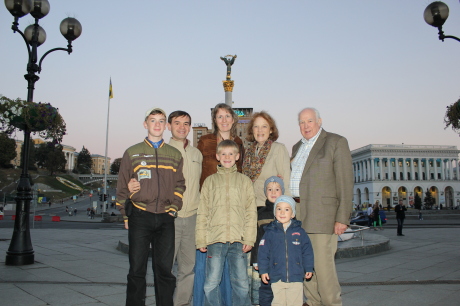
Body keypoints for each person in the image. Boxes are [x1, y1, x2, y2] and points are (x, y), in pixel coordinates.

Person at [128, 110, 203, 306]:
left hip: (192, 215)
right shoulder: (163, 150)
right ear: (169, 126)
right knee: (164, 268)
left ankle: (181, 303)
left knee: (188, 268)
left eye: (186, 123)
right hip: (169, 216)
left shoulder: (197, 154)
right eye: (177, 123)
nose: (182, 127)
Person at [116, 107, 186, 306]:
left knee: (164, 270)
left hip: (165, 218)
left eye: (161, 121)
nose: (157, 124)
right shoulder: (132, 152)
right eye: (153, 120)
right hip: (140, 215)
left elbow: (180, 184)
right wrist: (125, 215)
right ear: (145, 124)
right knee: (137, 269)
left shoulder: (174, 154)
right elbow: (121, 186)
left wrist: (174, 207)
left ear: (166, 126)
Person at [290, 108, 353, 306]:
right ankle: (313, 302)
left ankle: (332, 303)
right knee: (304, 265)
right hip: (297, 214)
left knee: (323, 268)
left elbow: (345, 181)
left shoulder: (335, 142)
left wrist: (342, 217)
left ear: (319, 121)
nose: (305, 126)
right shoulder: (296, 147)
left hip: (322, 215)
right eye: (301, 122)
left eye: (309, 121)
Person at [195, 139, 257, 306]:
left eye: (231, 154)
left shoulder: (244, 181)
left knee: (242, 284)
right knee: (211, 283)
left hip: (239, 241)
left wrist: (249, 238)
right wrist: (201, 239)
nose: (227, 157)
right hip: (215, 240)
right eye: (223, 154)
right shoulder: (210, 182)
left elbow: (251, 212)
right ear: (217, 156)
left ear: (237, 156)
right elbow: (203, 213)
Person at [195, 103, 244, 306]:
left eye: (227, 116)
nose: (223, 120)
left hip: (231, 209)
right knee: (205, 265)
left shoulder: (238, 142)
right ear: (214, 121)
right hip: (209, 206)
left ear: (233, 119)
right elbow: (196, 170)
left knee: (231, 265)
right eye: (219, 117)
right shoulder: (205, 141)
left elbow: (241, 174)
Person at [258, 195, 314, 306]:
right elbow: (263, 253)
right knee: (278, 302)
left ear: (293, 214)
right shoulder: (269, 232)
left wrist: (309, 268)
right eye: (279, 209)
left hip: (296, 275)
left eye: (287, 209)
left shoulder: (300, 232)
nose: (282, 212)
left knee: (295, 302)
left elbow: (307, 251)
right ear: (275, 212)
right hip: (276, 275)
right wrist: (263, 270)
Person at [242, 111, 291, 208]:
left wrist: (286, 209)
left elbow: (286, 183)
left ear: (271, 130)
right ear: (252, 130)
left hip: (270, 209)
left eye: (264, 126)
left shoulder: (278, 149)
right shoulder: (248, 152)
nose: (260, 130)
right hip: (250, 208)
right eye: (256, 126)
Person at [250, 176, 285, 306]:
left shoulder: (288, 212)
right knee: (266, 291)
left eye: (277, 189)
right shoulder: (261, 214)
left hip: (285, 262)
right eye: (269, 189)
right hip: (268, 262)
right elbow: (257, 239)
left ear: (283, 191)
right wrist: (256, 260)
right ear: (265, 192)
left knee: (284, 292)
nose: (273, 192)